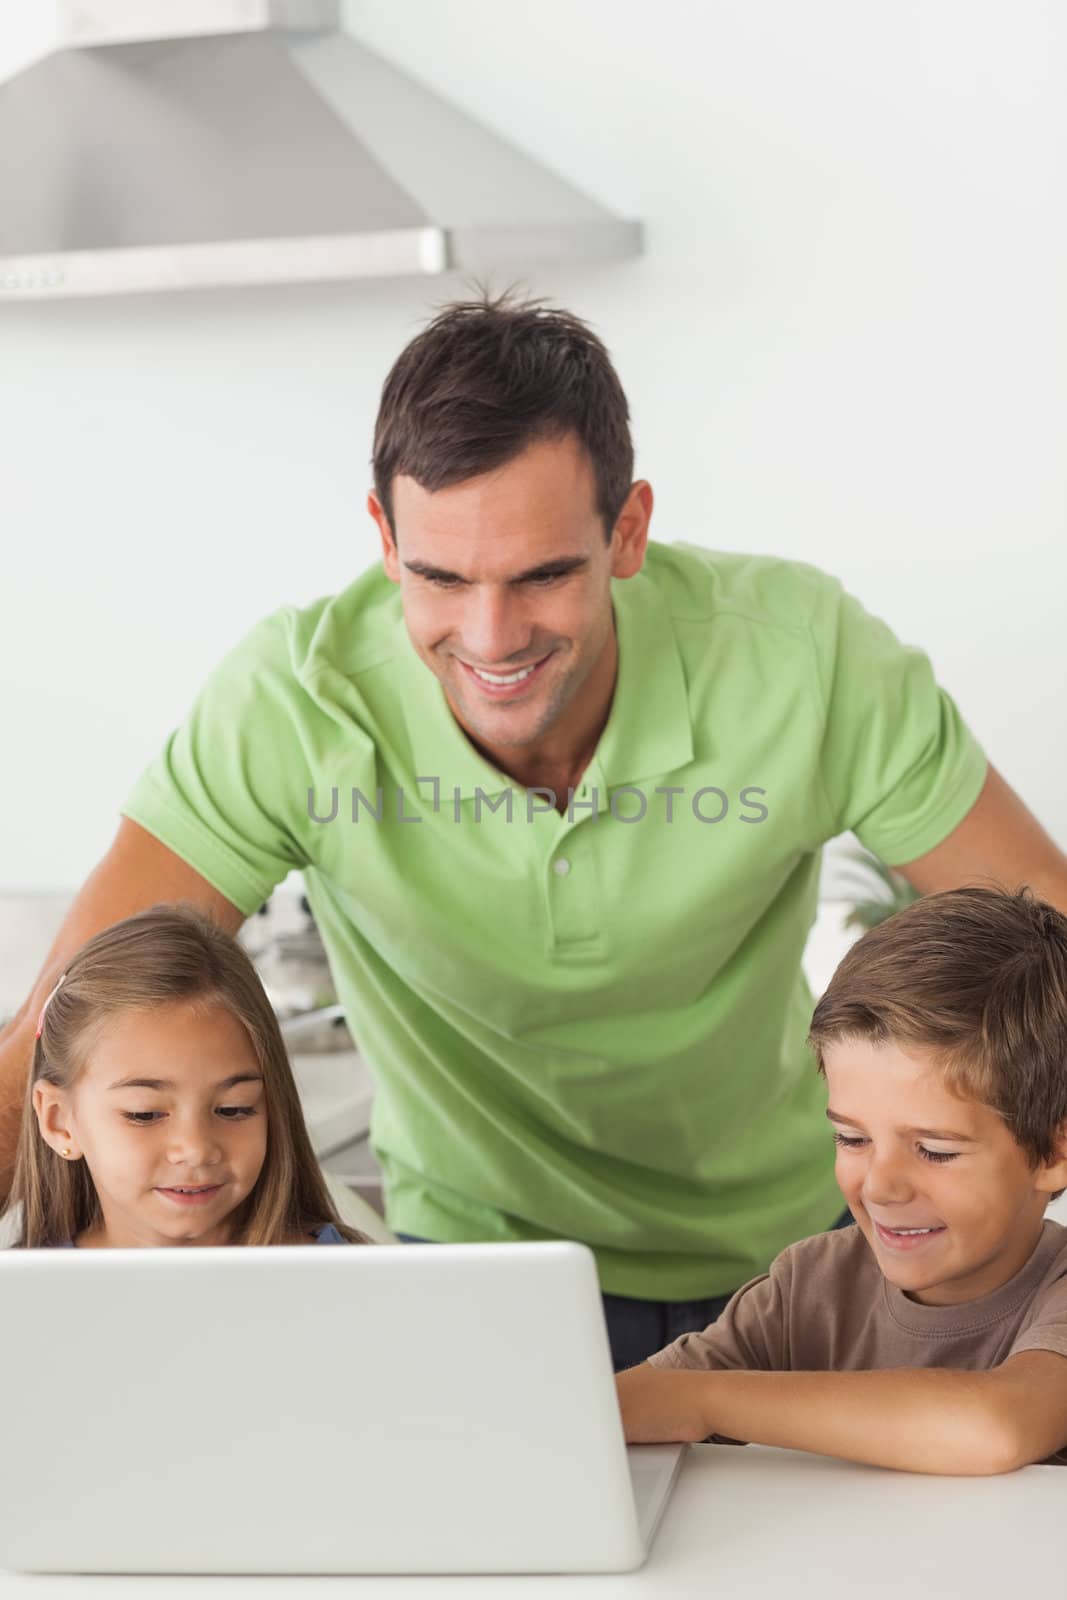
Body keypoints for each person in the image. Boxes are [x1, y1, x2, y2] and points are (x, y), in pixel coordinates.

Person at [2, 292, 1066, 1361]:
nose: (490, 636)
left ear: (627, 530)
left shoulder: (803, 657)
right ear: (383, 538)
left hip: (797, 1253)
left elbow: (1046, 934)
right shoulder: (291, 704)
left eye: (544, 575)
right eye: (440, 577)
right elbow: (59, 1027)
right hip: (482, 1264)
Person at [617, 885, 1067, 1473]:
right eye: (853, 1139)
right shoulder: (805, 1288)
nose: (881, 1187)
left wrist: (701, 1399)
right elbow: (621, 1410)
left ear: (1054, 1152)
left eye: (933, 1150)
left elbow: (996, 1428)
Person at [2, 904, 368, 1248]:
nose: (195, 1149)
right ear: (58, 1121)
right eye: (144, 1114)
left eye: (233, 1109)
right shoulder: (21, 1300)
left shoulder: (355, 1285)